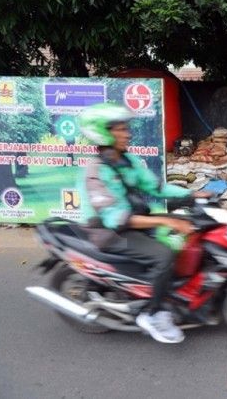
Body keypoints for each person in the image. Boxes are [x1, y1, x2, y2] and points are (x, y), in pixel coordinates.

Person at [77, 103, 209, 344]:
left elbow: (155, 187)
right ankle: (152, 313)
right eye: (120, 129)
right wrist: (165, 219)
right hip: (109, 232)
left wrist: (192, 195)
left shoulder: (127, 160)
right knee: (164, 255)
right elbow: (116, 218)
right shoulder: (96, 171)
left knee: (189, 229)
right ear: (103, 133)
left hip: (133, 221)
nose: (127, 133)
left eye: (126, 128)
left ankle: (169, 291)